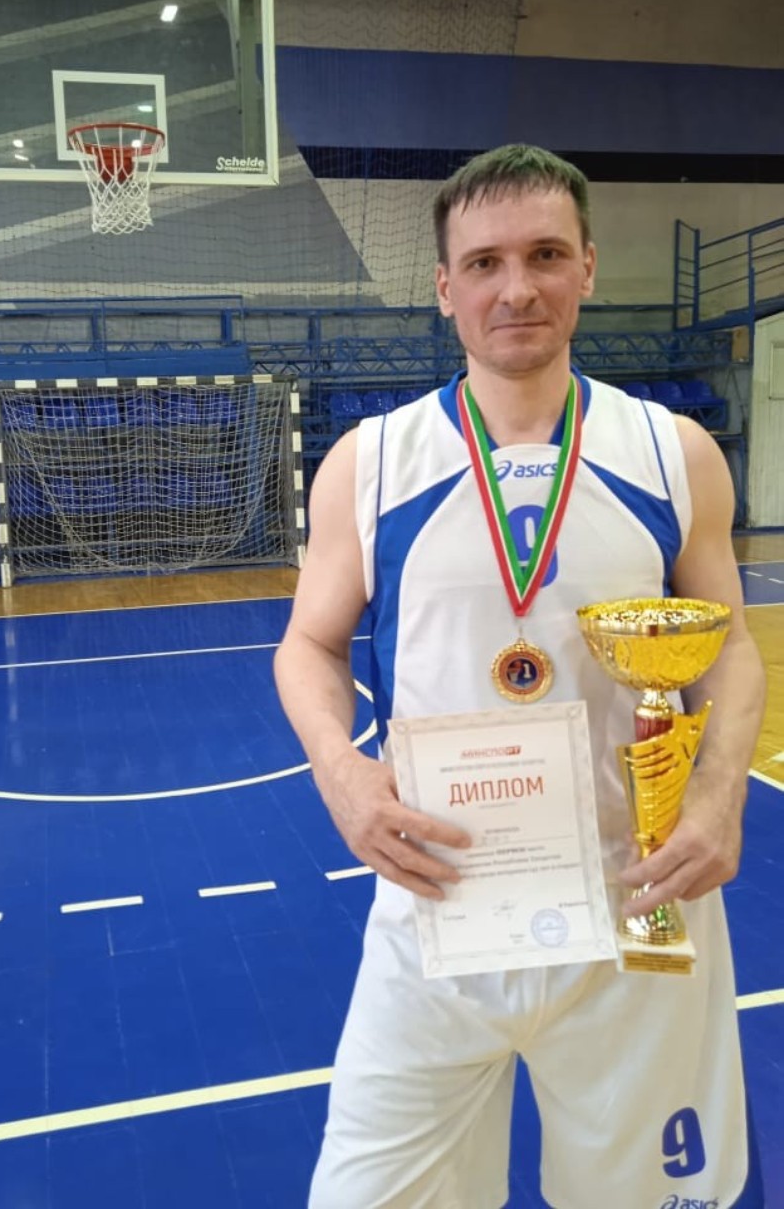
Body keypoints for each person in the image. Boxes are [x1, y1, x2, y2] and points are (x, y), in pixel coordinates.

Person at [273, 144, 767, 1208]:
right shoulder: (371, 463)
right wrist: (340, 773)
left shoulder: (673, 453)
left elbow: (726, 642)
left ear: (586, 265)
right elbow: (306, 644)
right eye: (484, 263)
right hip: (437, 906)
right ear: (444, 287)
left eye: (544, 255)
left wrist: (721, 795)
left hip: (639, 905)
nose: (517, 289)